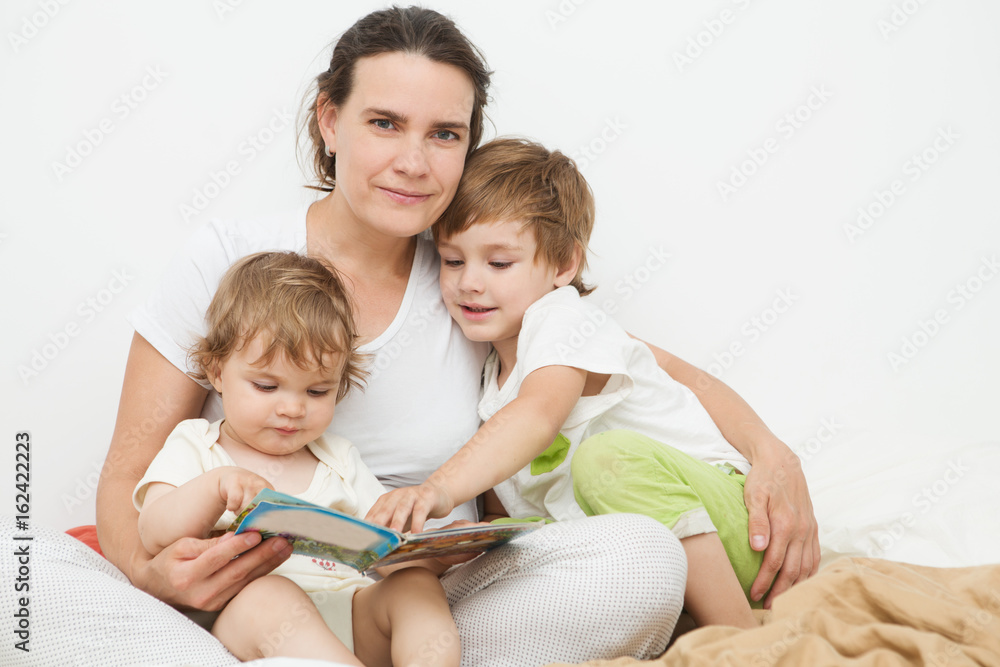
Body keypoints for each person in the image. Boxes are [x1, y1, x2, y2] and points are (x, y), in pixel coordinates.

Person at [85, 6, 817, 665]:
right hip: (247, 593)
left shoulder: (474, 278)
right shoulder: (229, 258)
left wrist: (770, 453)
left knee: (643, 558)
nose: (414, 161)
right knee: (19, 578)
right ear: (329, 122)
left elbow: (634, 360)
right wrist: (155, 576)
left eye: (444, 134)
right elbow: (127, 474)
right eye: (384, 123)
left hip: (425, 598)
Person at [368, 138, 768, 629]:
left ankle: (741, 641)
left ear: (563, 266)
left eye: (498, 263)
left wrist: (435, 491)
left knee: (608, 459)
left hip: (732, 525)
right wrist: (450, 545)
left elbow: (537, 416)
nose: (469, 281)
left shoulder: (562, 321)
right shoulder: (491, 382)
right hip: (657, 557)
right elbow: (505, 508)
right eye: (453, 261)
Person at [133, 250, 460, 665]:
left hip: (350, 618)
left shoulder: (339, 460)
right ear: (217, 372)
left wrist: (436, 555)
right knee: (272, 595)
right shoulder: (198, 444)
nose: (292, 409)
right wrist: (216, 489)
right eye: (267, 387)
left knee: (415, 586)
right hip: (251, 618)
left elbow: (385, 555)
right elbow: (154, 531)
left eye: (317, 391)